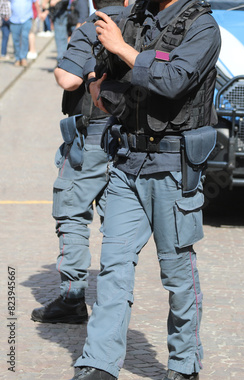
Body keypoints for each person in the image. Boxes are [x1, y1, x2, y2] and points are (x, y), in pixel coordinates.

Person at [71, 0, 221, 379]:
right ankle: (99, 362)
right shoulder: (135, 17)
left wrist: (123, 48)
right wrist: (97, 85)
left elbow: (173, 82)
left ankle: (184, 364)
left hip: (173, 168)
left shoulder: (202, 27)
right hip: (127, 163)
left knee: (176, 272)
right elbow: (107, 81)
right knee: (114, 266)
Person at [30, 0, 127, 325]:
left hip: (93, 136)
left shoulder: (93, 26)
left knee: (72, 211)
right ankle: (115, 301)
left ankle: (72, 298)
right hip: (131, 137)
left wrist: (67, 64)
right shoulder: (144, 26)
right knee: (119, 221)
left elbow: (68, 80)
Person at [10, 0, 39, 66]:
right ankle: (17, 58)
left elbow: (36, 2)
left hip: (26, 18)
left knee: (24, 38)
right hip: (14, 19)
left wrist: (39, 14)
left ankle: (23, 58)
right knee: (15, 40)